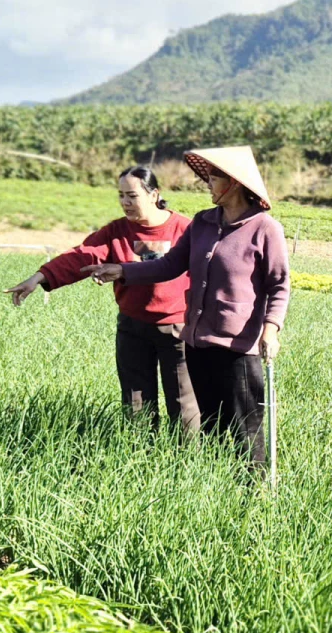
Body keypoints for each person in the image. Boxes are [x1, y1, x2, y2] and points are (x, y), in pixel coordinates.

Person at [92, 147, 288, 467]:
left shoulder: (265, 229)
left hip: (239, 348)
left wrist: (271, 330)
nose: (206, 185)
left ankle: (255, 495)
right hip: (197, 343)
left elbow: (279, 285)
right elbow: (169, 265)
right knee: (210, 428)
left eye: (213, 179)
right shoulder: (203, 223)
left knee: (245, 431)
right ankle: (214, 487)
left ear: (234, 183)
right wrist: (123, 270)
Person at [5, 166, 198, 432]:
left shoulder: (186, 230)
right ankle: (140, 456)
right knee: (136, 403)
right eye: (120, 195)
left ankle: (187, 462)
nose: (125, 202)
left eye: (132, 195)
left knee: (184, 402)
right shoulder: (116, 232)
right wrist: (39, 277)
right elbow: (81, 256)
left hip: (177, 329)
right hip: (133, 328)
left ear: (154, 195)